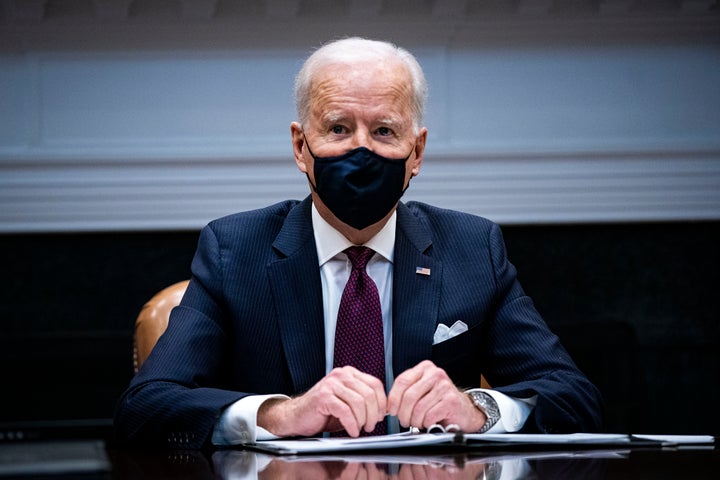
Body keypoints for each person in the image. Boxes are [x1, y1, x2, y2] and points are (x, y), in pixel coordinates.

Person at [114, 37, 604, 449]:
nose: (362, 150)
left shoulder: (472, 249)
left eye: (385, 130)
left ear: (417, 151)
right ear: (301, 146)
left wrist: (477, 409)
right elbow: (146, 406)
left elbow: (574, 397)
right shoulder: (234, 249)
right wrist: (281, 415)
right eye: (339, 128)